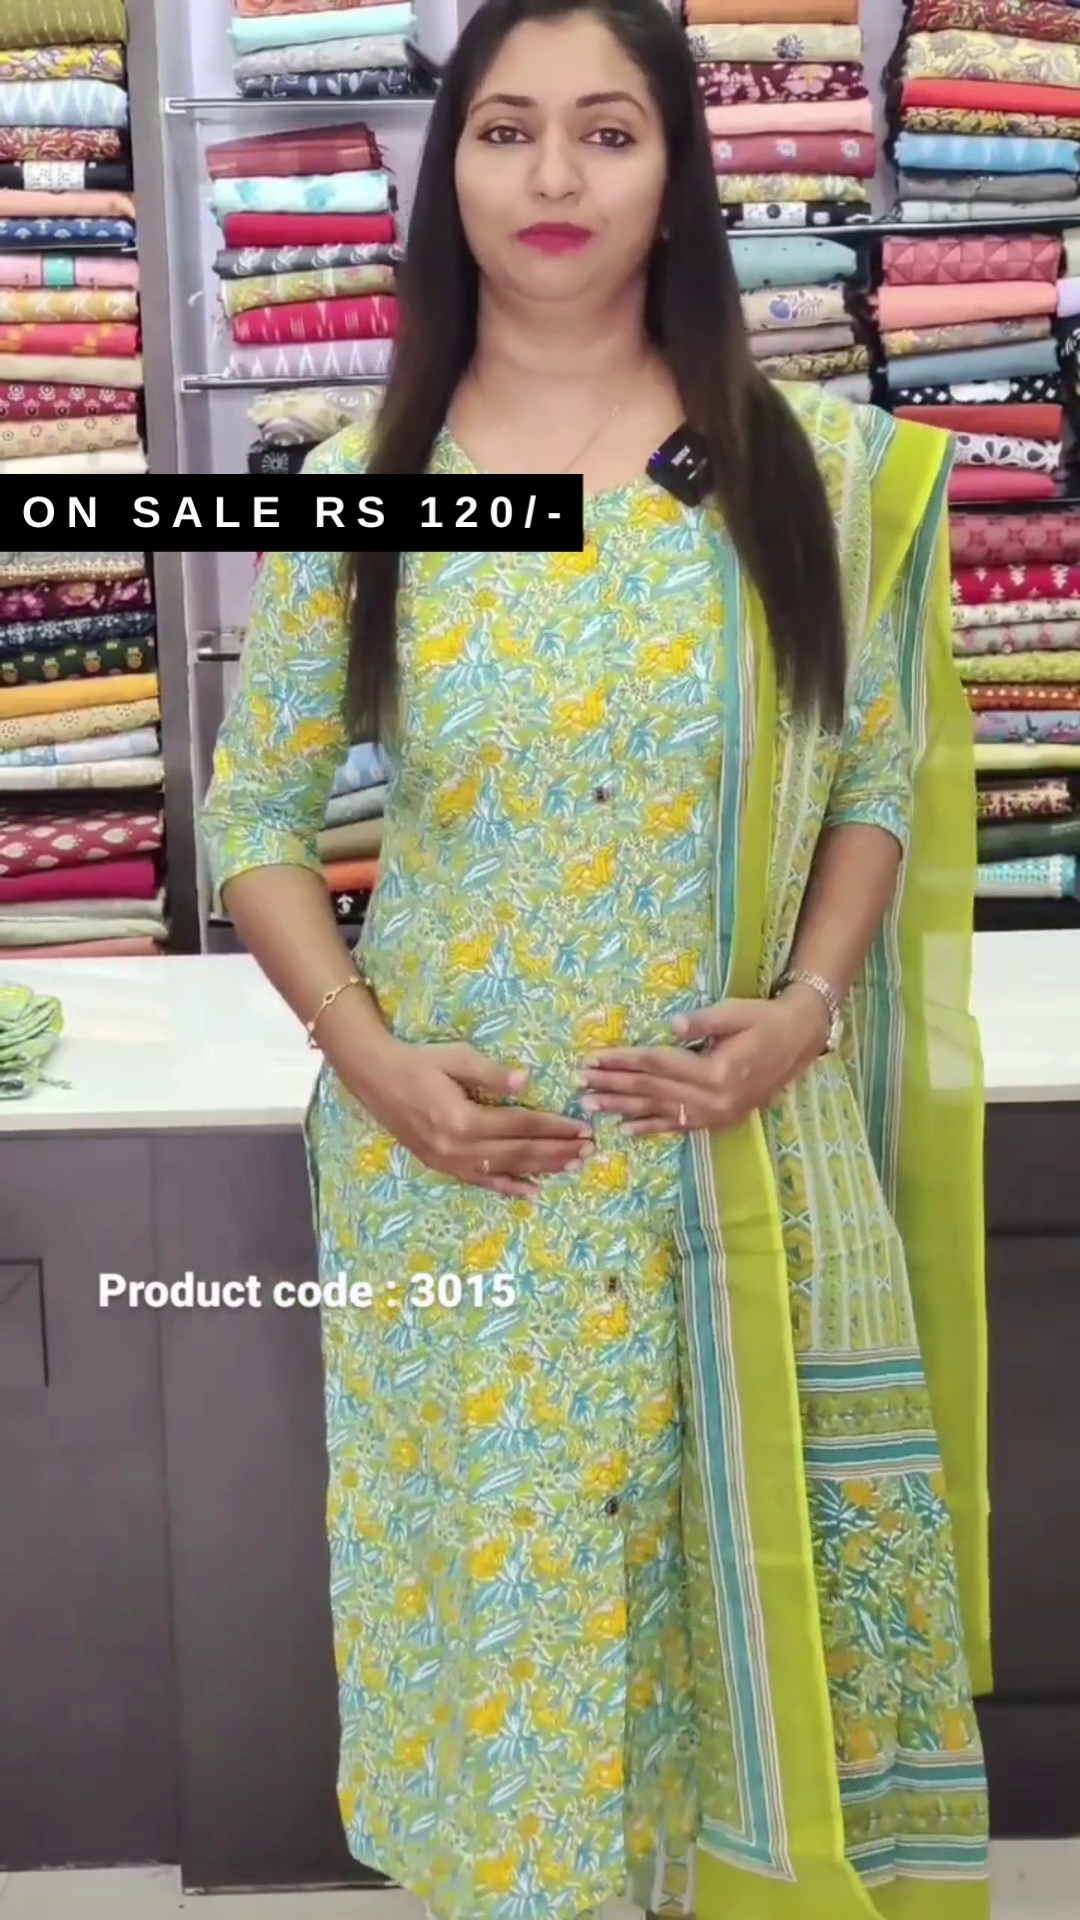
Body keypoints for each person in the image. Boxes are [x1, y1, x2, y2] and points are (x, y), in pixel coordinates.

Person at [200, 1, 991, 1917]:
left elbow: (870, 781)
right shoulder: (360, 482)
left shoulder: (807, 471)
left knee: (759, 1654)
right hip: (469, 1182)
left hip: (748, 1159)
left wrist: (800, 1018)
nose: (554, 176)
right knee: (521, 1663)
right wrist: (374, 1063)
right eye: (506, 130)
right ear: (448, 168)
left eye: (609, 131)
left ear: (677, 175)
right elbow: (257, 818)